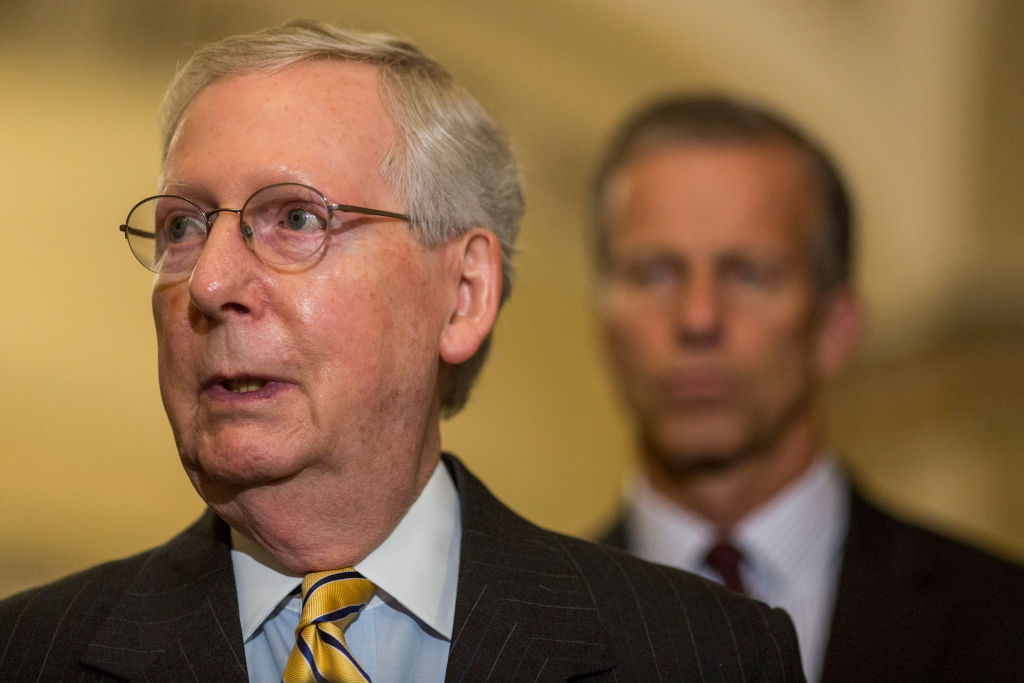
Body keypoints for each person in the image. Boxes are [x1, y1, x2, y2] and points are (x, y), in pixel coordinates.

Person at [0, 23, 804, 683]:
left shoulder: (703, 656)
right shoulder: (28, 655)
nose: (209, 282)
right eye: (182, 226)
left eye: (297, 220)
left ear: (463, 294)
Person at [591, 92, 1024, 682]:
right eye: (654, 273)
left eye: (749, 273)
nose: (697, 318)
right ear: (604, 325)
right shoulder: (501, 639)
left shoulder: (1003, 622)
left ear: (836, 329)